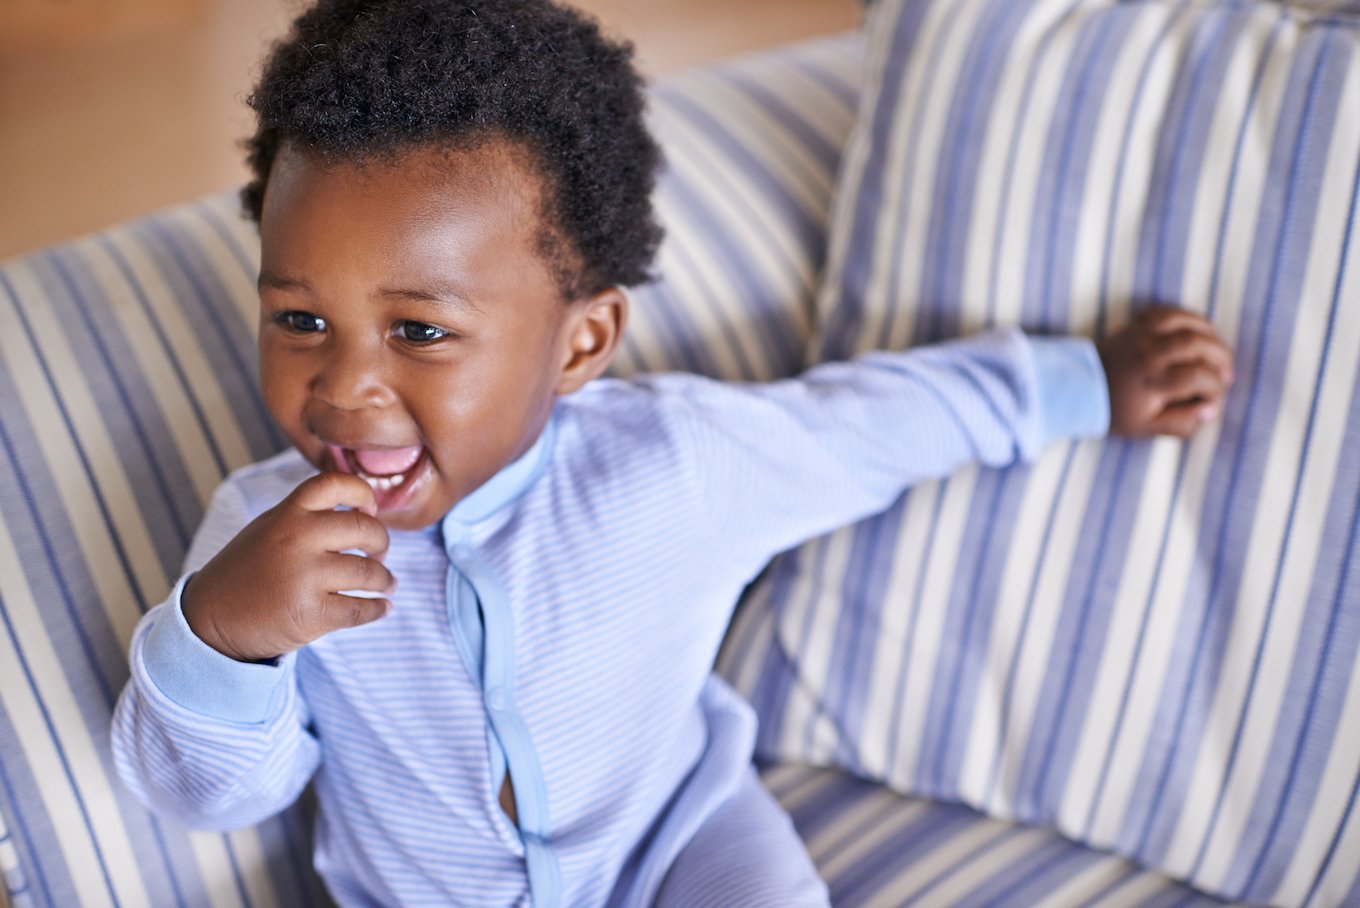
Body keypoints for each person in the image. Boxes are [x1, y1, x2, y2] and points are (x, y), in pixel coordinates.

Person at [109, 1, 1236, 905]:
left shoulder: (674, 464)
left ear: (581, 341)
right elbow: (208, 798)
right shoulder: (259, 543)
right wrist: (221, 638)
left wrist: (1083, 381)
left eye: (420, 331)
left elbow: (870, 425)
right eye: (299, 319)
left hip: (683, 846)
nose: (345, 387)